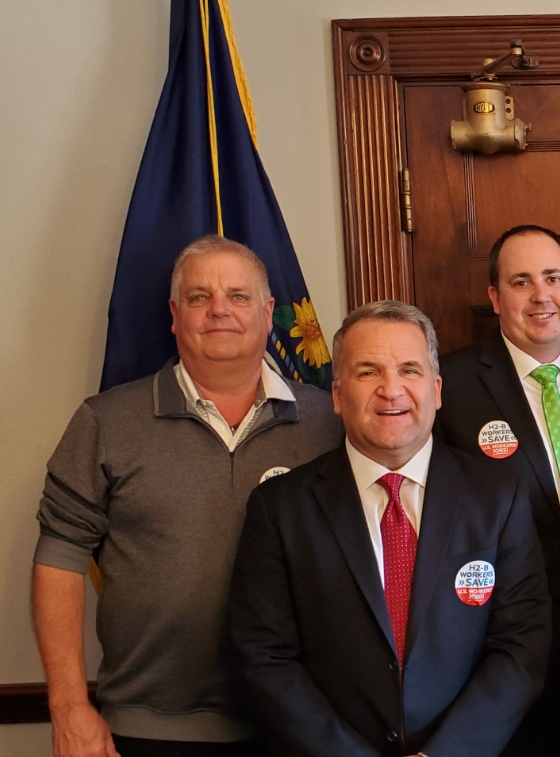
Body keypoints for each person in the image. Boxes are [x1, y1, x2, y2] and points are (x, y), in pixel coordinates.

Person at [32, 236, 342, 757]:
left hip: (304, 724)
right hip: (150, 730)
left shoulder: (330, 425)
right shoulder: (106, 422)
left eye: (239, 296)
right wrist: (68, 707)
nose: (219, 309)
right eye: (199, 297)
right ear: (174, 316)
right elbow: (58, 561)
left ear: (269, 314)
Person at [225, 301, 552, 757]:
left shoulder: (498, 497)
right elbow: (262, 658)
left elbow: (522, 645)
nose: (391, 390)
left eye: (410, 370)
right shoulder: (281, 508)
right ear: (337, 396)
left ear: (437, 390)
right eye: (367, 372)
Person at [434, 225, 560, 756]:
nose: (540, 295)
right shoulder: (447, 388)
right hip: (494, 652)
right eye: (521, 282)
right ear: (495, 298)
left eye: (552, 278)